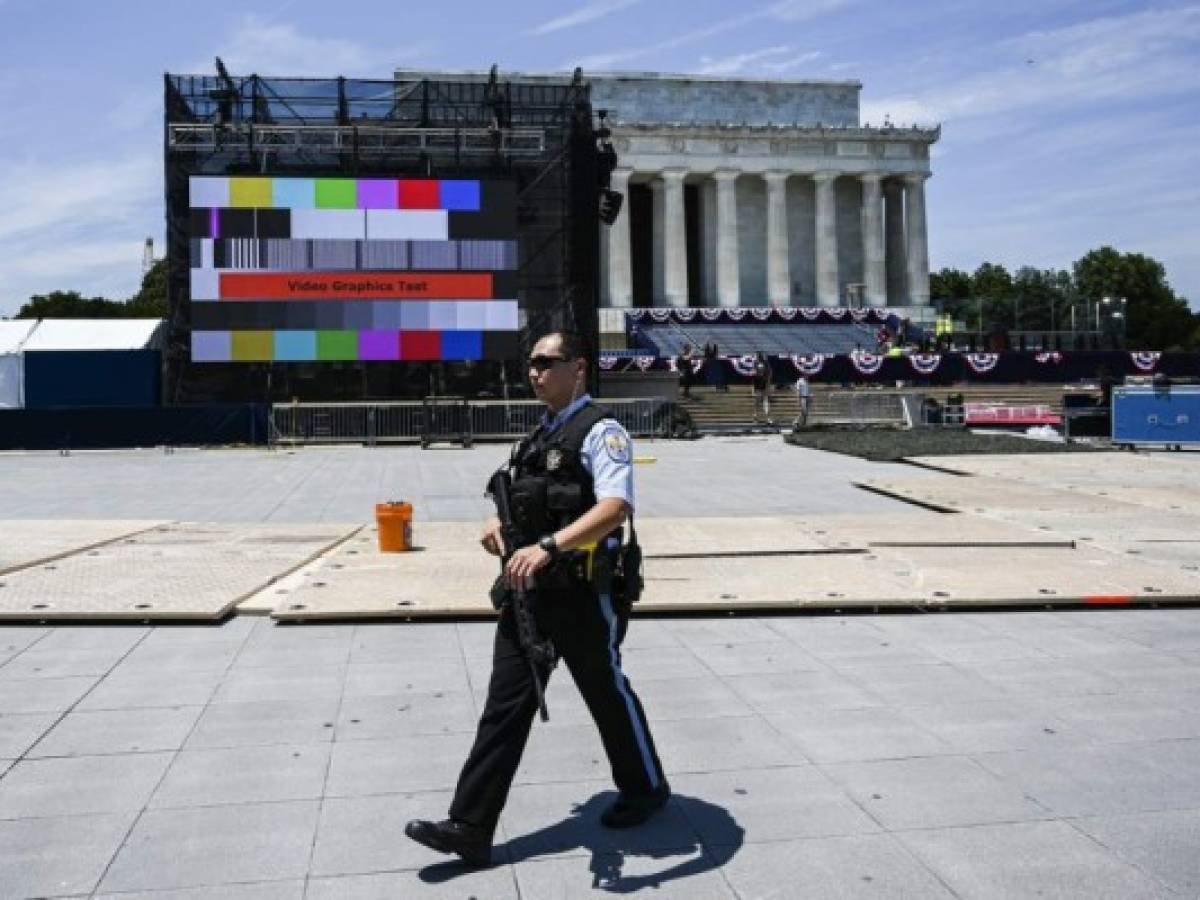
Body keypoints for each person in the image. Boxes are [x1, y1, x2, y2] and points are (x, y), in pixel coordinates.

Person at [405, 331, 669, 868]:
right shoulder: (533, 439)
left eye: (546, 362)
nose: (534, 372)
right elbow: (503, 493)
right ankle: (470, 826)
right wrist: (493, 526)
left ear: (579, 368)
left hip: (582, 590)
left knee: (605, 692)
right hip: (529, 595)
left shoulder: (602, 432)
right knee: (505, 705)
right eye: (531, 363)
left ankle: (645, 789)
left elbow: (616, 507)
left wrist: (550, 545)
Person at [751, 351, 772, 425]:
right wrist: (753, 389)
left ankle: (768, 418)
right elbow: (753, 376)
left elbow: (769, 373)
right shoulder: (755, 363)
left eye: (759, 355)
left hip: (764, 383)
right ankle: (755, 417)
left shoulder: (766, 363)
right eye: (757, 355)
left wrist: (768, 385)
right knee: (757, 402)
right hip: (757, 384)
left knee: (766, 402)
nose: (758, 356)